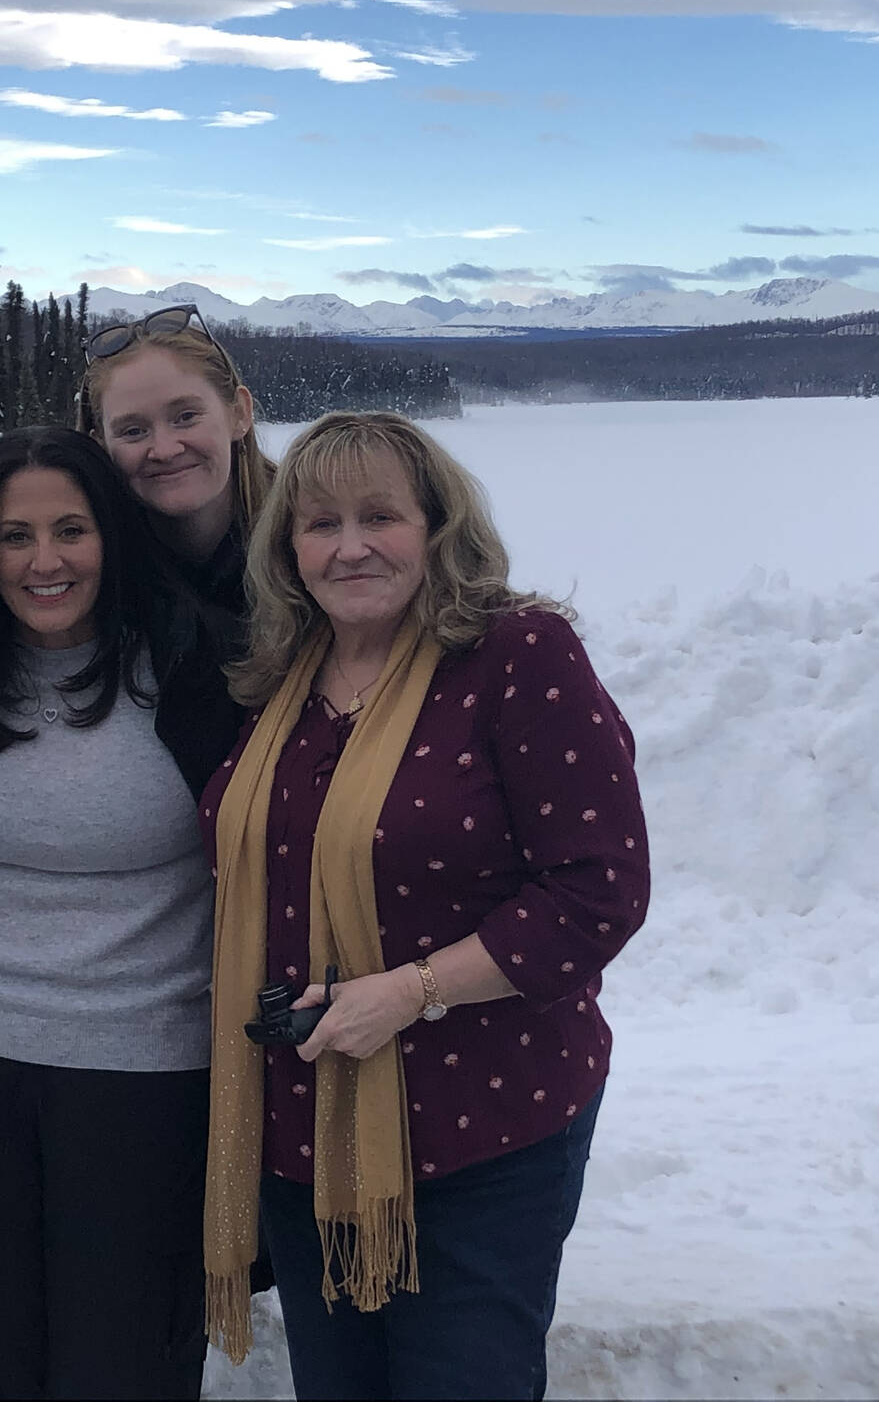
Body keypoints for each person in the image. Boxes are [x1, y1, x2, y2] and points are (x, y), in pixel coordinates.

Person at [200, 412, 651, 1401]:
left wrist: (410, 990)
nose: (349, 545)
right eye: (318, 524)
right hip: (302, 1132)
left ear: (436, 527)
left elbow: (597, 889)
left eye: (379, 517)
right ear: (287, 549)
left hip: (481, 1128)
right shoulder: (280, 676)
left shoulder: (515, 656)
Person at [0, 426, 228, 1400]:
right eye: (13, 536)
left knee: (125, 1376)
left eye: (71, 529)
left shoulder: (198, 664)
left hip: (146, 1081)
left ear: (115, 534)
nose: (44, 560)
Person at [79, 302, 275, 619]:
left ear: (239, 413)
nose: (165, 449)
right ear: (100, 445)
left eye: (185, 417)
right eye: (133, 431)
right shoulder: (85, 580)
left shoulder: (318, 548)